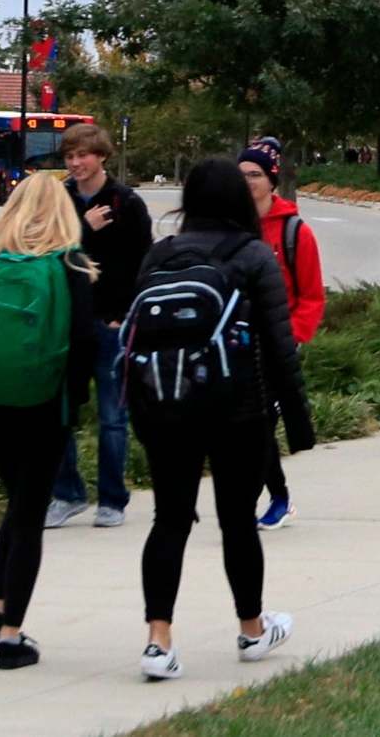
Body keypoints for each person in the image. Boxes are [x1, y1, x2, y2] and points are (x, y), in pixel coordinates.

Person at [129, 157, 313, 682]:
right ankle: (252, 629)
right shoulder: (254, 255)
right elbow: (280, 346)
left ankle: (158, 641)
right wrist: (298, 423)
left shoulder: (158, 255)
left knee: (169, 519)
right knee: (238, 522)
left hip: (165, 406)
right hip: (238, 410)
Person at [0, 171, 100, 669]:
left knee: (16, 505)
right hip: (45, 404)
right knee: (29, 513)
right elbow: (83, 343)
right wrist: (75, 399)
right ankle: (12, 634)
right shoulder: (71, 264)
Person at [48, 121, 150, 530]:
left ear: (102, 156)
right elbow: (50, 257)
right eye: (70, 156)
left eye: (83, 155)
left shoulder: (127, 202)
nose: (75, 163)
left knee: (112, 417)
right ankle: (67, 494)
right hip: (66, 323)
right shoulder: (60, 201)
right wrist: (82, 232)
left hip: (111, 323)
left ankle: (112, 500)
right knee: (59, 414)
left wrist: (123, 314)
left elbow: (142, 264)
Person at [240, 145, 324, 529]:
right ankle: (272, 495)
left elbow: (311, 295)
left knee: (261, 423)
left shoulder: (295, 231)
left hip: (277, 343)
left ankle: (274, 497)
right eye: (241, 175)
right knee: (246, 425)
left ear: (271, 180)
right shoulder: (232, 227)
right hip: (236, 342)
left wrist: (291, 336)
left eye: (255, 175)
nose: (248, 182)